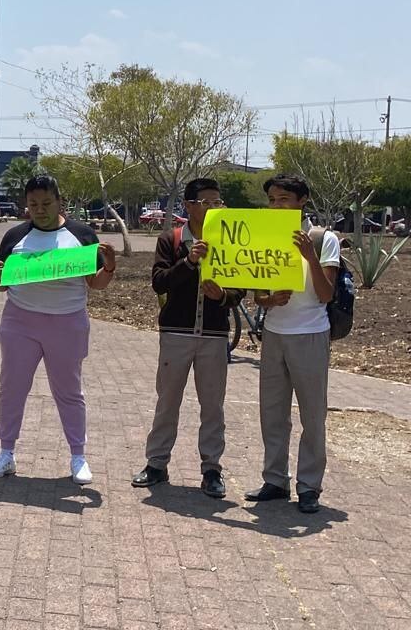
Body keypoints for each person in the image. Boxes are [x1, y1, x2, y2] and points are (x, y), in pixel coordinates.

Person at [0, 175, 116, 485]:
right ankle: (6, 453)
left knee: (69, 391)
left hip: (67, 322)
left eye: (46, 203)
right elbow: (1, 286)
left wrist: (108, 266)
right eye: (33, 204)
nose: (40, 210)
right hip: (20, 322)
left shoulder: (82, 235)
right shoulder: (15, 237)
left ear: (60, 201)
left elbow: (95, 283)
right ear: (25, 206)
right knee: (12, 388)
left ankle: (78, 456)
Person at [132, 178, 243, 497]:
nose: (213, 208)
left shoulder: (230, 241)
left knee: (213, 405)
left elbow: (240, 289)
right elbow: (159, 282)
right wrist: (190, 261)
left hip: (214, 335)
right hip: (176, 333)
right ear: (190, 205)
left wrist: (222, 296)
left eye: (218, 202)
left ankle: (211, 469)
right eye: (206, 202)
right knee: (167, 401)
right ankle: (156, 464)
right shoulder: (172, 239)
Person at [245, 173, 340, 514]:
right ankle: (275, 480)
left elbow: (326, 294)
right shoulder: (265, 236)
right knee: (272, 412)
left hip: (310, 334)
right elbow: (258, 295)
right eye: (271, 199)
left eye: (283, 198)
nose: (276, 205)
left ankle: (310, 486)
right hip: (275, 334)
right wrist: (271, 301)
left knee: (312, 415)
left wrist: (309, 255)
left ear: (302, 201)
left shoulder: (323, 239)